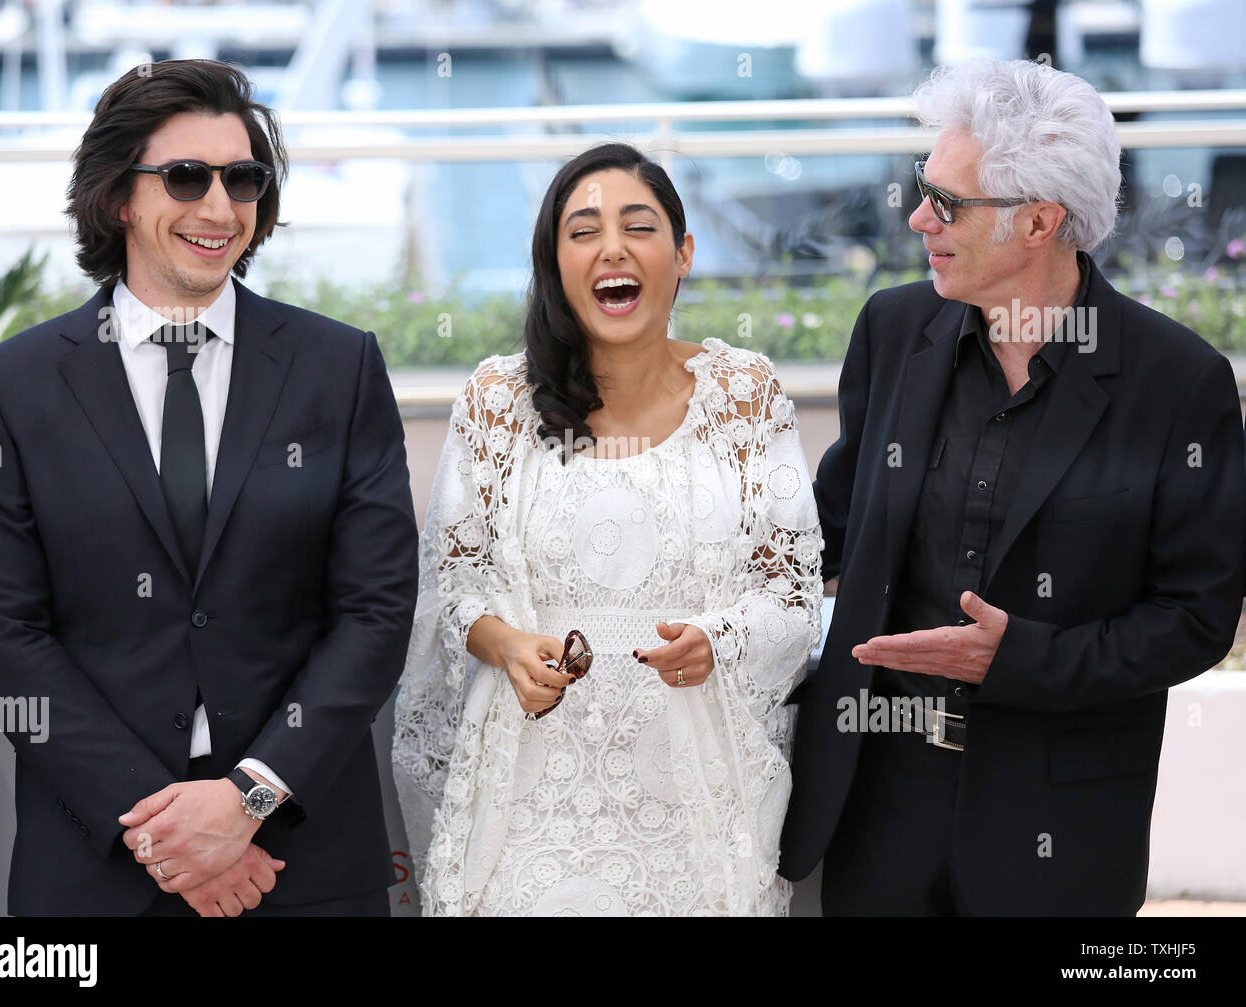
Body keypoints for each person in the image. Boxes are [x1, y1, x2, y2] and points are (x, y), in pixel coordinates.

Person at [0, 59, 419, 916]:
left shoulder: (340, 368)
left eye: (241, 179)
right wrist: (163, 831)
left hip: (301, 865)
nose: (218, 207)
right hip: (94, 875)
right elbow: (3, 638)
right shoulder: (9, 389)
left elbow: (376, 611)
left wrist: (249, 799)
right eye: (185, 176)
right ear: (117, 196)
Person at [780, 59, 1246, 915]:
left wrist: (1020, 658)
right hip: (877, 797)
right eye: (922, 189)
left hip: (1058, 822)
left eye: (948, 203)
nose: (920, 217)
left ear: (1041, 221)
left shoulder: (1179, 382)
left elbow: (1196, 618)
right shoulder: (892, 328)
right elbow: (827, 529)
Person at [392, 142, 823, 916]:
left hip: (696, 800)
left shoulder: (747, 394)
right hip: (527, 798)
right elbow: (449, 588)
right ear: (555, 261)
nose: (612, 247)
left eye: (639, 226)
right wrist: (508, 645)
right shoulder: (496, 400)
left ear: (684, 253)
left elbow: (789, 596)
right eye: (583, 230)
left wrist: (717, 638)